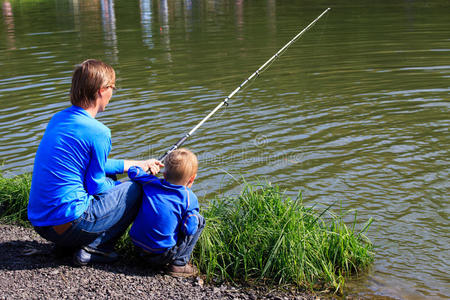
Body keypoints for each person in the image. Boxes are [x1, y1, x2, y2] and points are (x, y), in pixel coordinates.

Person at [27, 59, 164, 266]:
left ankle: (67, 246)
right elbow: (96, 185)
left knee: (111, 177)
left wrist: (137, 164)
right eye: (113, 88)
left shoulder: (58, 119)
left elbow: (87, 165)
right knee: (135, 190)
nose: (113, 93)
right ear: (101, 90)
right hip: (72, 225)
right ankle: (97, 247)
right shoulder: (99, 132)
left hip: (42, 224)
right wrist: (127, 184)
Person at [128, 148, 205, 277]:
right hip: (161, 255)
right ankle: (179, 264)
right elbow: (190, 230)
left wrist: (148, 168)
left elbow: (133, 171)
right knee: (199, 220)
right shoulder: (188, 197)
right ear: (192, 179)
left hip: (138, 247)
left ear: (164, 175)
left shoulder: (151, 182)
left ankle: (145, 257)